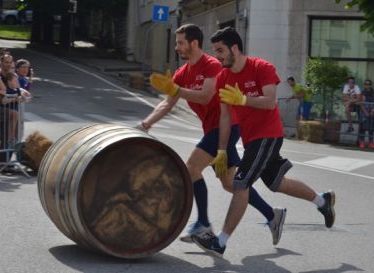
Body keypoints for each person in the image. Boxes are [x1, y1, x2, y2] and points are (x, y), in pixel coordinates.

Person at [191, 27, 336, 257]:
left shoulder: (262, 67)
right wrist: (221, 151)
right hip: (251, 139)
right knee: (278, 183)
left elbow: (269, 102)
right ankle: (323, 201)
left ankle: (220, 242)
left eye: (220, 50)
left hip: (268, 134)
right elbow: (225, 116)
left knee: (240, 183)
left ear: (234, 48)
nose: (217, 56)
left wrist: (243, 98)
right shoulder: (223, 78)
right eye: (215, 51)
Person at [140, 24, 285, 245]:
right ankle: (272, 215)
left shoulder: (212, 65)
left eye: (180, 42)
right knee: (231, 184)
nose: (176, 47)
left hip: (226, 127)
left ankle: (203, 223)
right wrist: (145, 124)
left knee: (191, 167)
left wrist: (176, 90)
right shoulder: (182, 73)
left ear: (193, 43)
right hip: (213, 130)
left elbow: (206, 96)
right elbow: (168, 103)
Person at [358, 79, 374, 148]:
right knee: (363, 128)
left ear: (371, 85)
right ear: (364, 85)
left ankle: (371, 143)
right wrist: (365, 112)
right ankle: (362, 142)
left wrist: (372, 111)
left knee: (371, 128)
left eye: (369, 84)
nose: (367, 85)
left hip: (372, 112)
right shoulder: (362, 93)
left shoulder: (373, 93)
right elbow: (361, 104)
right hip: (364, 112)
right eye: (366, 84)